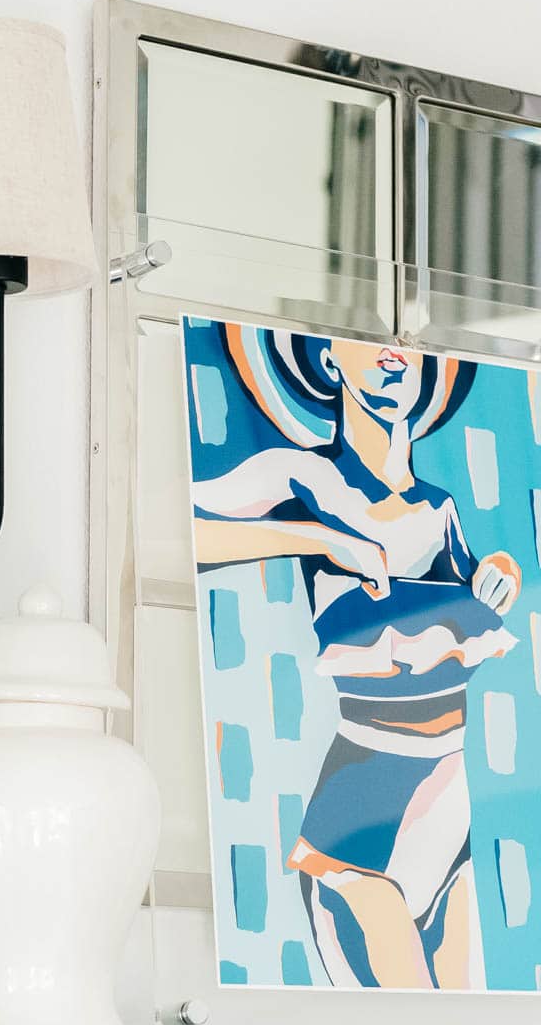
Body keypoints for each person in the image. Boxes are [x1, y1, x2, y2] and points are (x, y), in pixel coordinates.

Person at [191, 323, 521, 990]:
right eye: (370, 343)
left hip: (449, 825)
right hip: (359, 832)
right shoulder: (303, 474)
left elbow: (475, 590)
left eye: (403, 346)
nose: (394, 353)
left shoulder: (440, 508)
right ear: (327, 356)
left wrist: (501, 570)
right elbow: (186, 527)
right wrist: (314, 537)